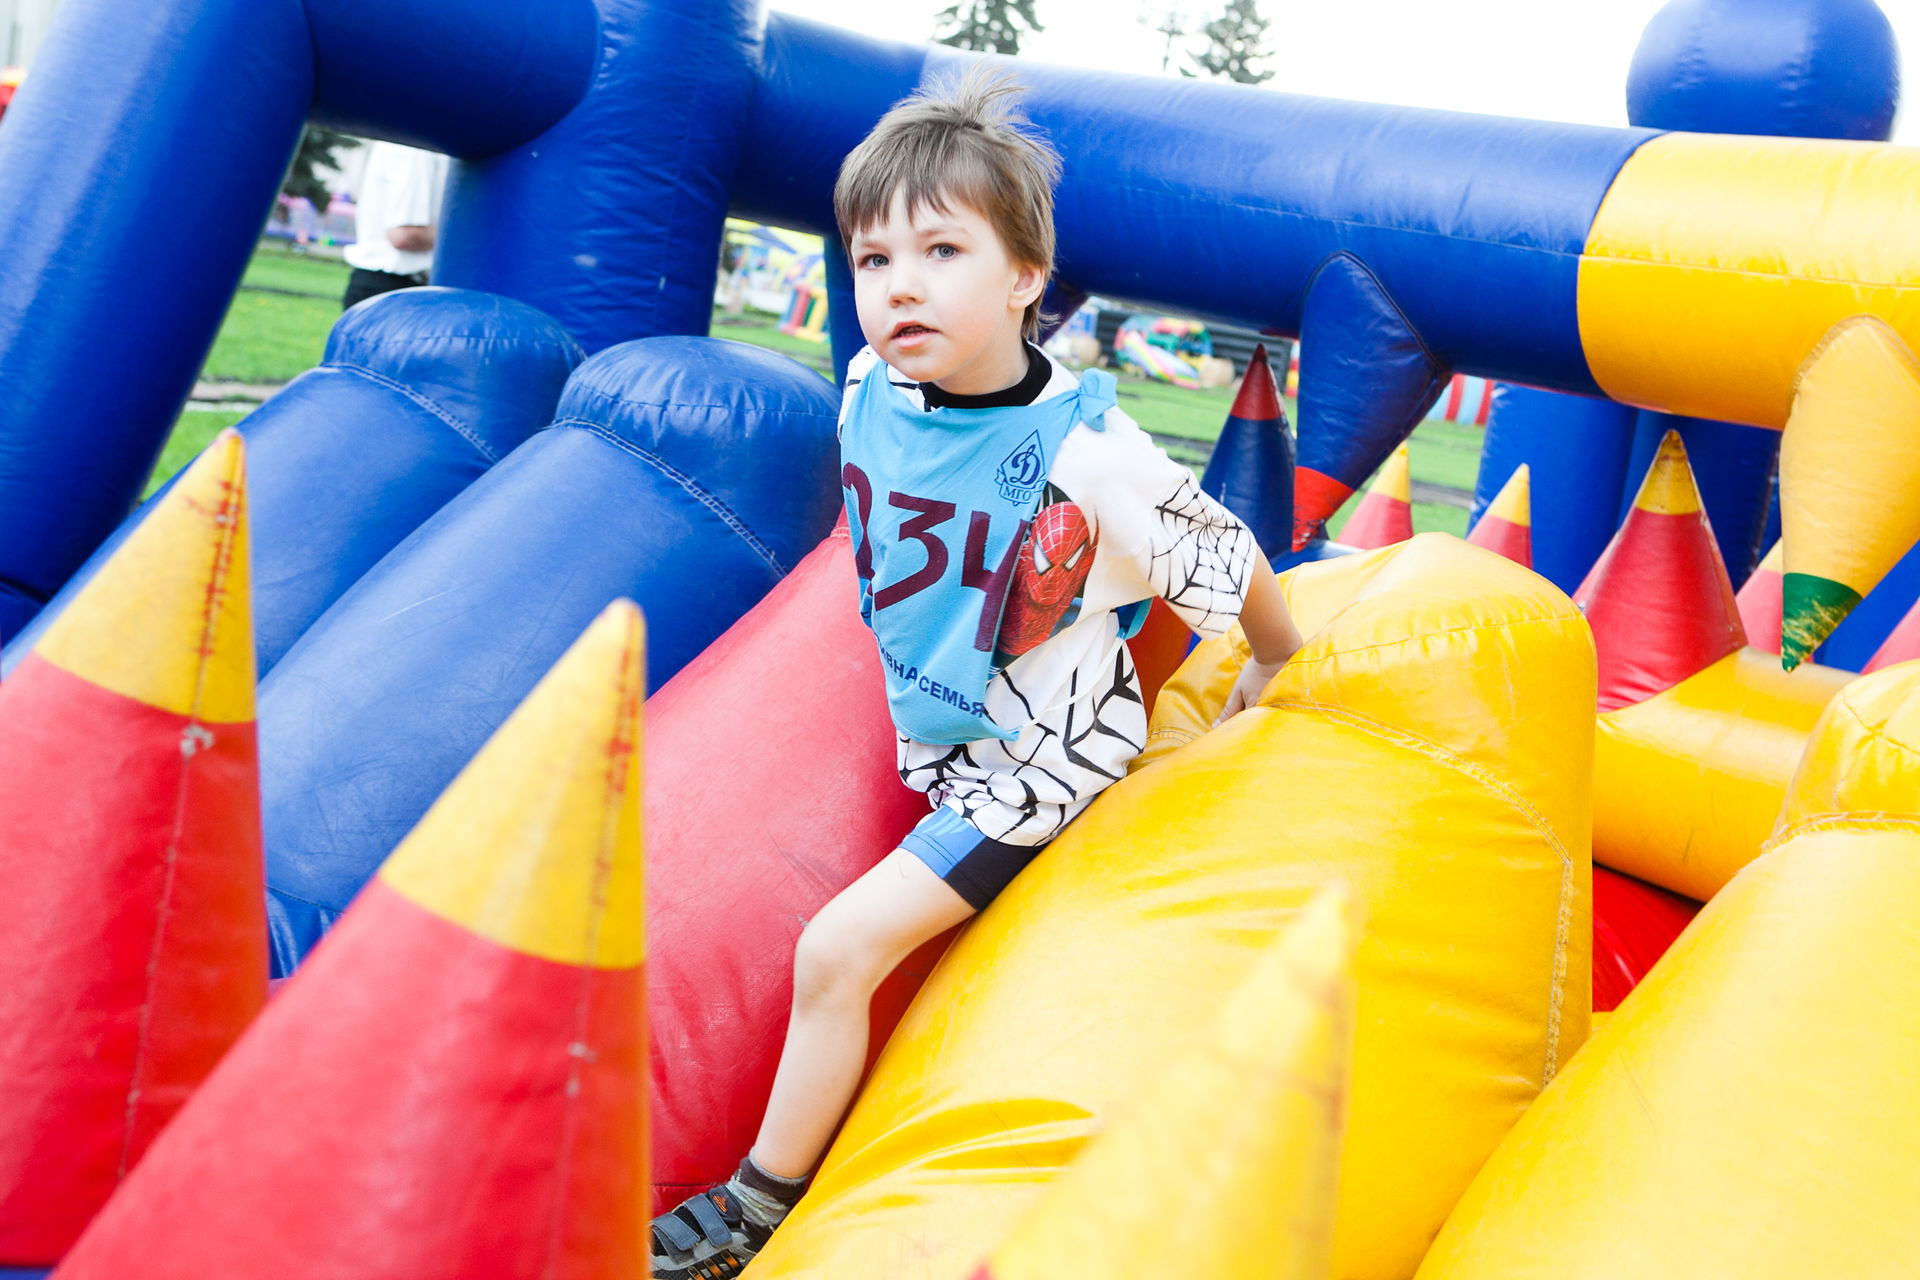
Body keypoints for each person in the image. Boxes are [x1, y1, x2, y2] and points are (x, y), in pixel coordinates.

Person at [649, 68, 1306, 1280]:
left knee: (834, 950)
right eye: (871, 259)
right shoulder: (870, 388)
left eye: (942, 249)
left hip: (1043, 763)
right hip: (950, 727)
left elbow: (1230, 552)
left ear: (1024, 278)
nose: (899, 284)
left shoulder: (1091, 453)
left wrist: (1276, 665)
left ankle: (753, 1203)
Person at [340, 141, 449, 310]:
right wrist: (469, 240)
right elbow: (405, 234)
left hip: (393, 287)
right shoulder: (415, 145)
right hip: (392, 288)